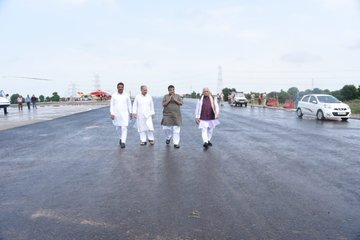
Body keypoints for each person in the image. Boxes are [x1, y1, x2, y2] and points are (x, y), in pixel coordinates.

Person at [110, 82, 132, 148]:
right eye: (119, 87)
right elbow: (112, 105)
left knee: (124, 127)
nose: (120, 88)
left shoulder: (126, 95)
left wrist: (130, 112)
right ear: (117, 88)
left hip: (125, 114)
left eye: (122, 87)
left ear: (123, 88)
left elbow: (129, 104)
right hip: (116, 114)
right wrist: (112, 113)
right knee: (118, 128)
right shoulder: (114, 95)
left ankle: (123, 142)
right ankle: (120, 138)